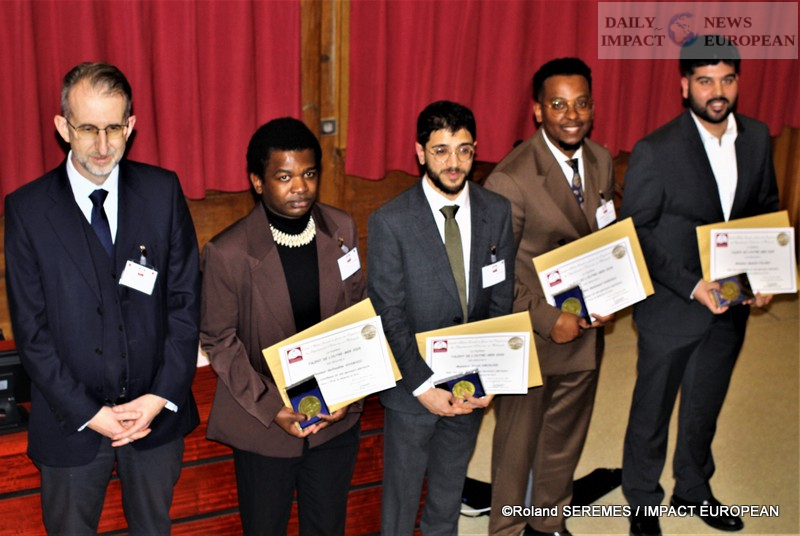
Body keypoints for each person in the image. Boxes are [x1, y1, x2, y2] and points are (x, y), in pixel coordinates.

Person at [4, 62, 200, 534]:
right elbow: (32, 334)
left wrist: (158, 397)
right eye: (88, 129)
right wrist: (89, 413)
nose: (103, 145)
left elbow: (185, 304)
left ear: (131, 126)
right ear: (62, 127)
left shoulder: (162, 192)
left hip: (153, 421)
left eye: (114, 128)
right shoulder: (27, 210)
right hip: (68, 425)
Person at [620, 37, 779, 536]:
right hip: (673, 304)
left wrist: (765, 275)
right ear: (684, 85)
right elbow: (636, 232)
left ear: (738, 82)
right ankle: (642, 502)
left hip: (731, 304)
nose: (718, 91)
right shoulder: (656, 149)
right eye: (705, 80)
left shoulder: (757, 137)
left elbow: (764, 209)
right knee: (652, 411)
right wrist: (692, 286)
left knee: (704, 406)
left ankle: (693, 488)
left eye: (727, 79)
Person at [200, 117, 364, 535]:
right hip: (264, 423)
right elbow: (219, 340)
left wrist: (349, 391)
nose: (300, 187)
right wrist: (274, 409)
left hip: (335, 420)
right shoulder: (227, 253)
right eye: (284, 177)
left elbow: (357, 311)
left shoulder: (341, 229)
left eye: (309, 174)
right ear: (258, 182)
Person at [367, 100, 515, 535]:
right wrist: (423, 386)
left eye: (464, 150)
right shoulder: (390, 221)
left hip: (471, 384)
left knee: (448, 495)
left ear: (475, 150)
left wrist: (492, 375)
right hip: (413, 391)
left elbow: (501, 298)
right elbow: (388, 313)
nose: (454, 163)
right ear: (420, 152)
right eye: (441, 151)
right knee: (401, 503)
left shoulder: (497, 210)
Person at [483, 57, 615, 536]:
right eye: (558, 105)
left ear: (593, 106)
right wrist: (546, 318)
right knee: (516, 448)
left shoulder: (601, 160)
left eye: (581, 103)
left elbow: (604, 236)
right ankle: (507, 531)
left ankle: (549, 522)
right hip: (532, 336)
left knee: (565, 437)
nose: (571, 115)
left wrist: (612, 291)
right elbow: (493, 275)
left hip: (586, 328)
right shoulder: (510, 179)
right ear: (538, 111)